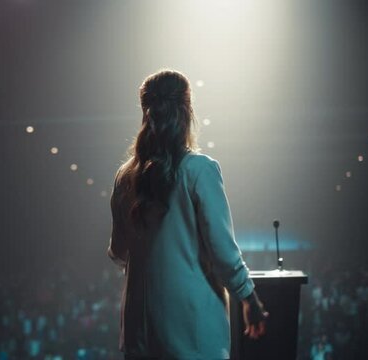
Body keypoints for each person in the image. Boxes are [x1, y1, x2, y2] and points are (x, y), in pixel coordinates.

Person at [107, 69, 268, 359]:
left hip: (138, 333)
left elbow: (118, 251)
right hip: (192, 331)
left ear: (146, 112)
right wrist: (249, 296)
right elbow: (222, 252)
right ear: (187, 110)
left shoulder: (124, 176)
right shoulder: (199, 169)